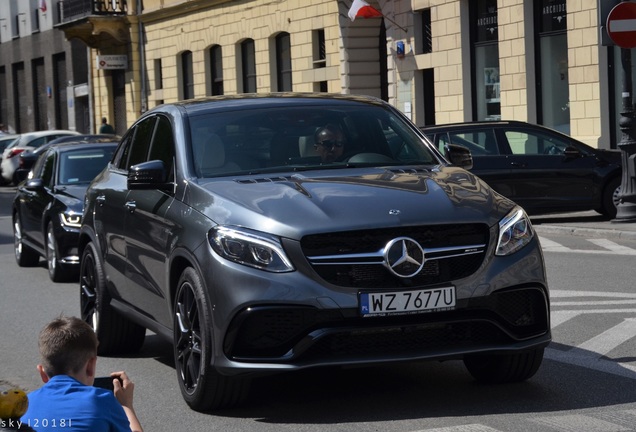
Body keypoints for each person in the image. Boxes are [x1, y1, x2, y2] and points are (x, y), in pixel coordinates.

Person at [21, 316, 143, 432]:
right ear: (90, 366)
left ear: (42, 372)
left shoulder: (22, 406)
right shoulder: (103, 401)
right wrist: (126, 405)